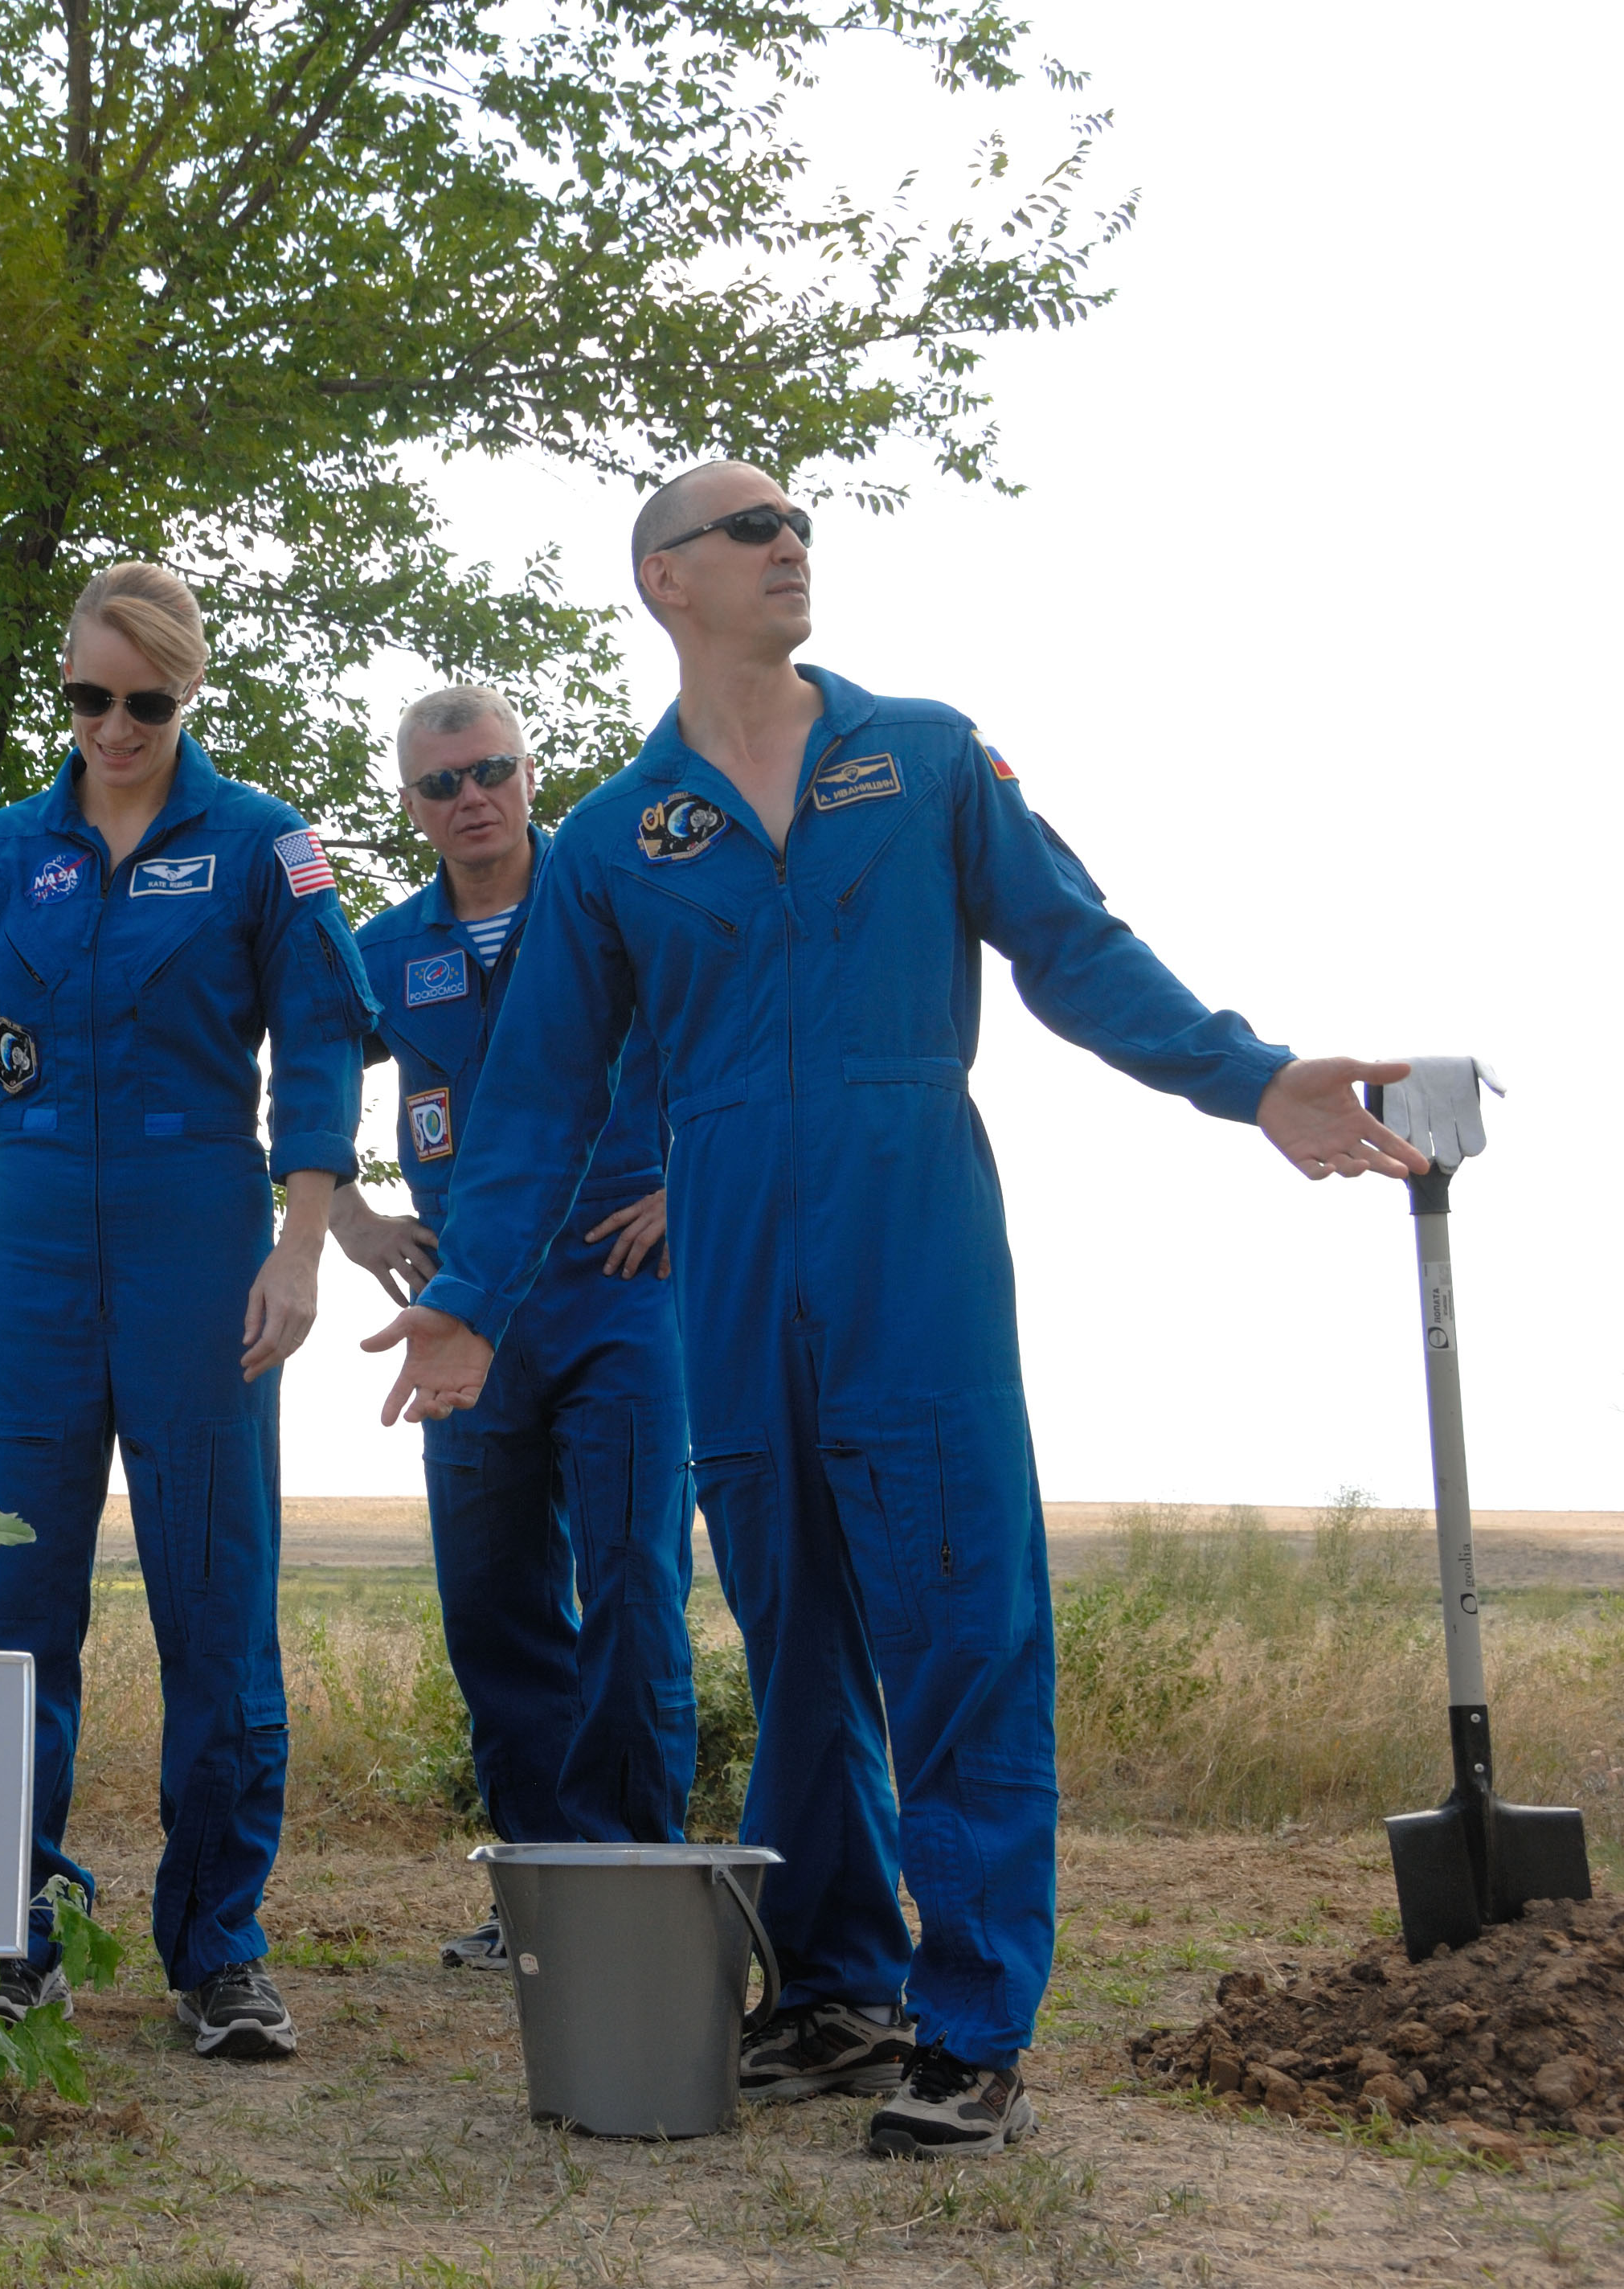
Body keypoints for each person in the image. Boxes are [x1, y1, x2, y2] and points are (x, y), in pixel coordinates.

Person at [365, 464, 1427, 2157]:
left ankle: (971, 2025)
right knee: (792, 1644)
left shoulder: (923, 755)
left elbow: (1071, 946)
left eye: (796, 522)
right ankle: (840, 1989)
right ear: (664, 581)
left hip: (909, 1238)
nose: (789, 543)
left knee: (956, 1624)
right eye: (747, 529)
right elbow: (542, 1096)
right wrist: (476, 1296)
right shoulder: (613, 839)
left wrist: (1246, 1077)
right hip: (728, 1271)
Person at [0, 562, 377, 2062]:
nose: (113, 726)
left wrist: (300, 1246)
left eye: (144, 701)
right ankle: (10, 1931)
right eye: (87, 698)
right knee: (6, 1608)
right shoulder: (0, 848)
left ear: (188, 694)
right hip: (33, 1229)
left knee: (213, 1598)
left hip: (197, 1228)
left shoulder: (259, 845)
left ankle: (215, 1946)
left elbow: (319, 1046)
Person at [330, 686, 694, 1975]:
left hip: (618, 1283)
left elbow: (729, 1038)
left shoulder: (610, 906)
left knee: (635, 1585)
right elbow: (300, 1076)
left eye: (491, 771)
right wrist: (353, 1226)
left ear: (532, 775)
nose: (470, 798)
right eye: (441, 784)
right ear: (412, 805)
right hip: (469, 1302)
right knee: (494, 1602)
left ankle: (640, 1884)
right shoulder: (384, 951)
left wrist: (683, 1188)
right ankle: (540, 1893)